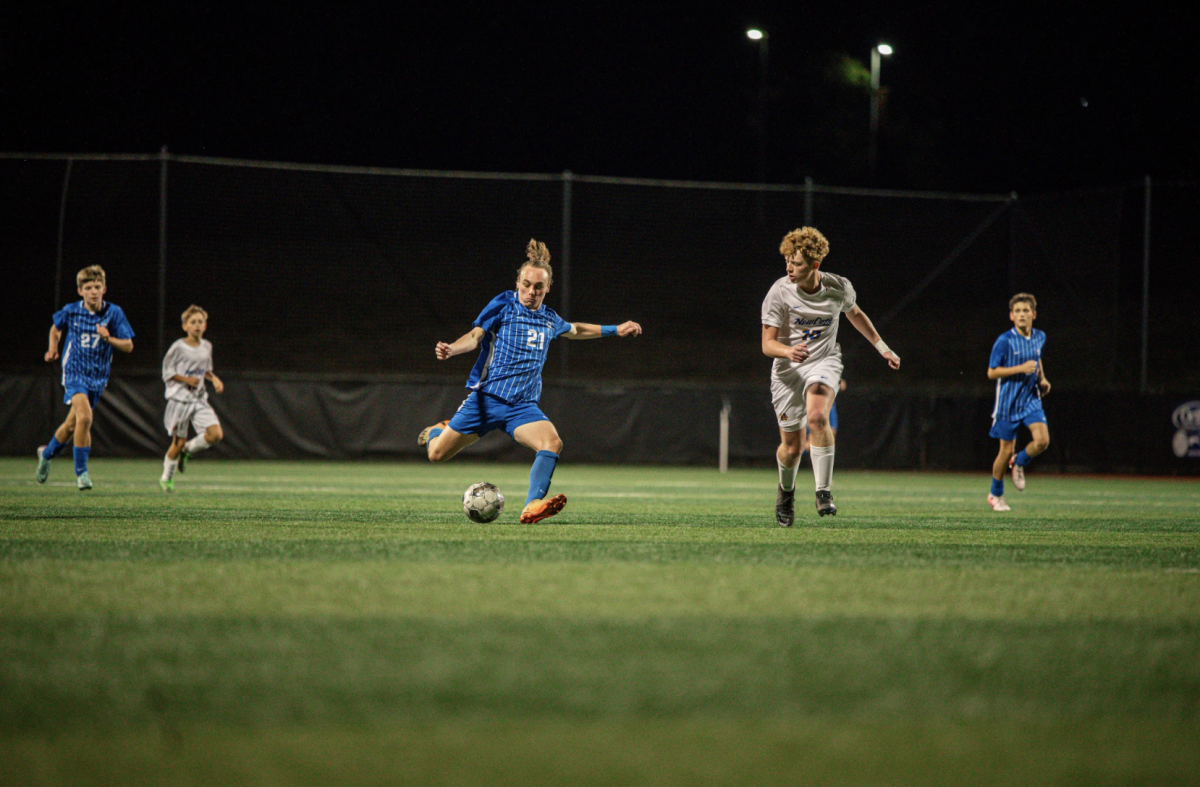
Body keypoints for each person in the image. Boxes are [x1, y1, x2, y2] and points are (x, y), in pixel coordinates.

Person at [418, 239, 642, 523]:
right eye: (526, 284)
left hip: (522, 407)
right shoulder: (503, 304)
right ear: (517, 283)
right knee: (436, 455)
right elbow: (475, 336)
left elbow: (576, 330)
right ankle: (438, 430)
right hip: (486, 400)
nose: (531, 291)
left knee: (551, 442)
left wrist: (615, 329)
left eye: (538, 287)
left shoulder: (549, 319)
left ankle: (532, 505)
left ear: (548, 288)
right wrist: (452, 348)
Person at [761, 228, 900, 525]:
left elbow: (856, 314)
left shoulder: (838, 287)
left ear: (814, 265)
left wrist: (883, 348)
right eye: (786, 260)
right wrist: (788, 352)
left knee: (817, 418)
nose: (788, 267)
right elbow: (767, 344)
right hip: (787, 370)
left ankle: (823, 490)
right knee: (792, 448)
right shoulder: (779, 291)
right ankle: (786, 492)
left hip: (824, 361)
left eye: (796, 263)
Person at [36, 265, 135, 490]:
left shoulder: (114, 313)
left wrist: (109, 338)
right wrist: (53, 347)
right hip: (74, 372)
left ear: (104, 289)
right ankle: (81, 473)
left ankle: (46, 454)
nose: (93, 291)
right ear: (80, 291)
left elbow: (128, 346)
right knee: (86, 418)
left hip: (98, 378)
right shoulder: (72, 310)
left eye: (97, 287)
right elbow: (56, 328)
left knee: (73, 424)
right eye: (88, 287)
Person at [986, 293, 1050, 512]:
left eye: (1026, 311)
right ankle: (995, 494)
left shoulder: (1040, 336)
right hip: (1008, 402)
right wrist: (1020, 369)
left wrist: (1042, 379)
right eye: (1018, 311)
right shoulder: (1004, 341)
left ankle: (1020, 461)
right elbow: (992, 372)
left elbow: (1037, 357)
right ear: (1011, 316)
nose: (1022, 315)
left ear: (1034, 314)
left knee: (1042, 441)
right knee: (1004, 451)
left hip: (1031, 398)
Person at [159, 305, 225, 492]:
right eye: (193, 322)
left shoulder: (206, 346)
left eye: (200, 322)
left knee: (216, 435)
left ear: (205, 325)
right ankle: (166, 477)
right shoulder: (178, 348)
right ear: (185, 326)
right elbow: (167, 372)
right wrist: (186, 379)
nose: (197, 325)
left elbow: (206, 370)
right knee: (176, 443)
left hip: (198, 399)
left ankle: (187, 451)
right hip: (180, 400)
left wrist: (215, 379)